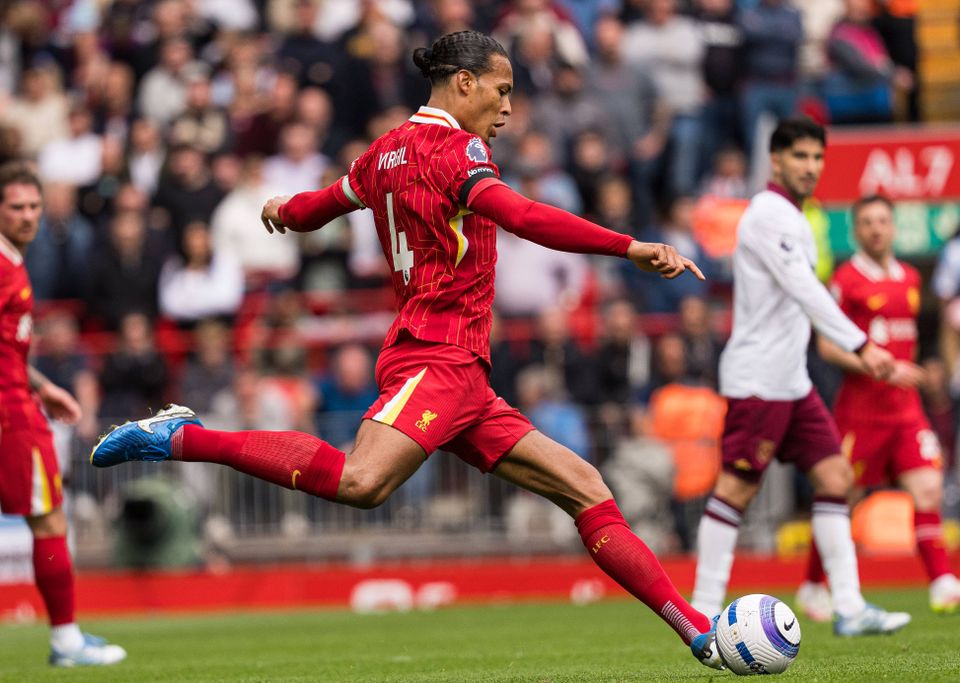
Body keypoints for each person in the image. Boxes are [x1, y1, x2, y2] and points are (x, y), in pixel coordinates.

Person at [93, 30, 727, 670]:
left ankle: (699, 633)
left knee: (586, 488)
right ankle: (182, 438)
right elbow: (523, 216)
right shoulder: (461, 151)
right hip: (438, 356)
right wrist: (628, 247)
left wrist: (285, 208)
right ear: (464, 83)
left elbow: (322, 205)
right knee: (362, 481)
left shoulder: (383, 152)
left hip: (459, 372)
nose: (508, 108)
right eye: (502, 91)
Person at [690, 117, 911, 636]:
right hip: (758, 376)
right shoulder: (769, 214)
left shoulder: (796, 216)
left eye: (817, 158)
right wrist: (861, 343)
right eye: (801, 157)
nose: (811, 167)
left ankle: (850, 607)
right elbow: (804, 289)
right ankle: (701, 609)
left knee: (836, 478)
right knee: (736, 489)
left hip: (791, 379)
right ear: (777, 161)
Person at [0, 163, 126, 667]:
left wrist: (44, 387)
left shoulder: (8, 260)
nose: (27, 216)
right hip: (0, 411)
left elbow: (1, 346)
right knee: (49, 521)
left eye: (34, 206)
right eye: (15, 207)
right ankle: (66, 641)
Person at [795, 195, 960, 619]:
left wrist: (923, 368)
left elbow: (909, 340)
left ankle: (942, 581)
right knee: (841, 497)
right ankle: (813, 585)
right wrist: (877, 366)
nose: (876, 228)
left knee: (927, 487)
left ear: (893, 227)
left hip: (905, 410)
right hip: (860, 411)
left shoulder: (908, 277)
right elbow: (828, 346)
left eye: (882, 220)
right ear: (855, 230)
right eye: (867, 222)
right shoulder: (847, 280)